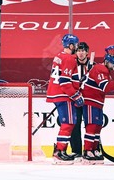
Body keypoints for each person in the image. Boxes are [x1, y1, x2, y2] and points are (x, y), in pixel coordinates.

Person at [80, 47, 114, 164]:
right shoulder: (100, 69)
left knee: (97, 125)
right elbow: (105, 87)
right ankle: (87, 150)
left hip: (97, 102)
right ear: (106, 61)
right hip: (90, 101)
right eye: (112, 64)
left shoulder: (105, 71)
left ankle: (94, 149)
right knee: (92, 126)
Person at [46, 34, 84, 165]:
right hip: (63, 94)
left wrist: (77, 84)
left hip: (57, 93)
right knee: (69, 122)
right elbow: (64, 82)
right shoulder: (69, 58)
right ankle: (59, 152)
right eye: (76, 45)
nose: (77, 48)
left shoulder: (59, 56)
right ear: (72, 45)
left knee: (68, 122)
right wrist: (76, 95)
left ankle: (60, 151)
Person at [69, 42, 93, 162]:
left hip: (89, 100)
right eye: (78, 50)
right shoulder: (72, 64)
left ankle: (91, 150)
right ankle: (76, 151)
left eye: (83, 50)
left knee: (91, 125)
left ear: (87, 52)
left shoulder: (93, 65)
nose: (81, 53)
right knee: (75, 124)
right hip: (76, 99)